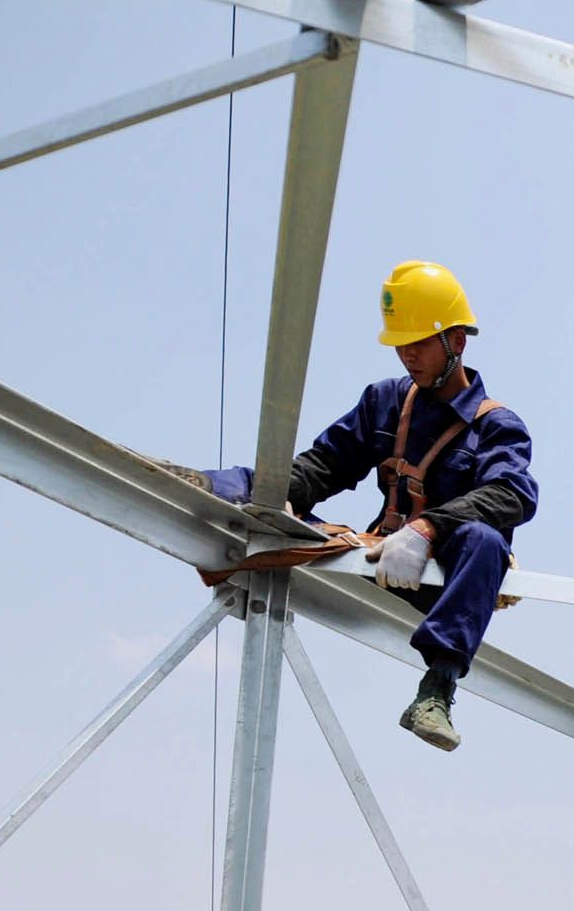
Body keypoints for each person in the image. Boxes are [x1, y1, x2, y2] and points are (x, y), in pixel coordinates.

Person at [199, 260, 536, 752]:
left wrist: (427, 530)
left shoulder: (496, 427)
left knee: (485, 541)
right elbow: (323, 466)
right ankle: (211, 487)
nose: (407, 355)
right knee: (271, 490)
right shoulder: (384, 402)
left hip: (441, 588)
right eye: (401, 343)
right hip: (376, 561)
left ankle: (437, 691)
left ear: (457, 342)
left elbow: (513, 493)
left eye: (419, 342)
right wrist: (271, 495)